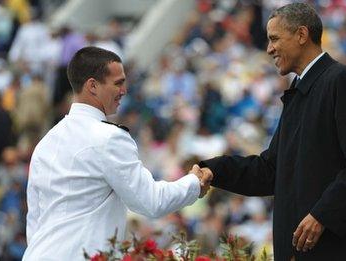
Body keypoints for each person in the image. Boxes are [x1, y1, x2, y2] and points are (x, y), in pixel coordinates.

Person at [197, 3, 346, 260]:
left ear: (301, 34)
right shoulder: (300, 93)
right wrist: (215, 170)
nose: (269, 48)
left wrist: (323, 214)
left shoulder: (342, 81)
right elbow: (271, 170)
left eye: (274, 39)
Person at [23, 46, 212, 260]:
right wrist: (194, 183)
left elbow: (34, 221)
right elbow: (150, 201)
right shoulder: (109, 138)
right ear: (92, 86)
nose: (124, 90)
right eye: (118, 83)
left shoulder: (46, 143)